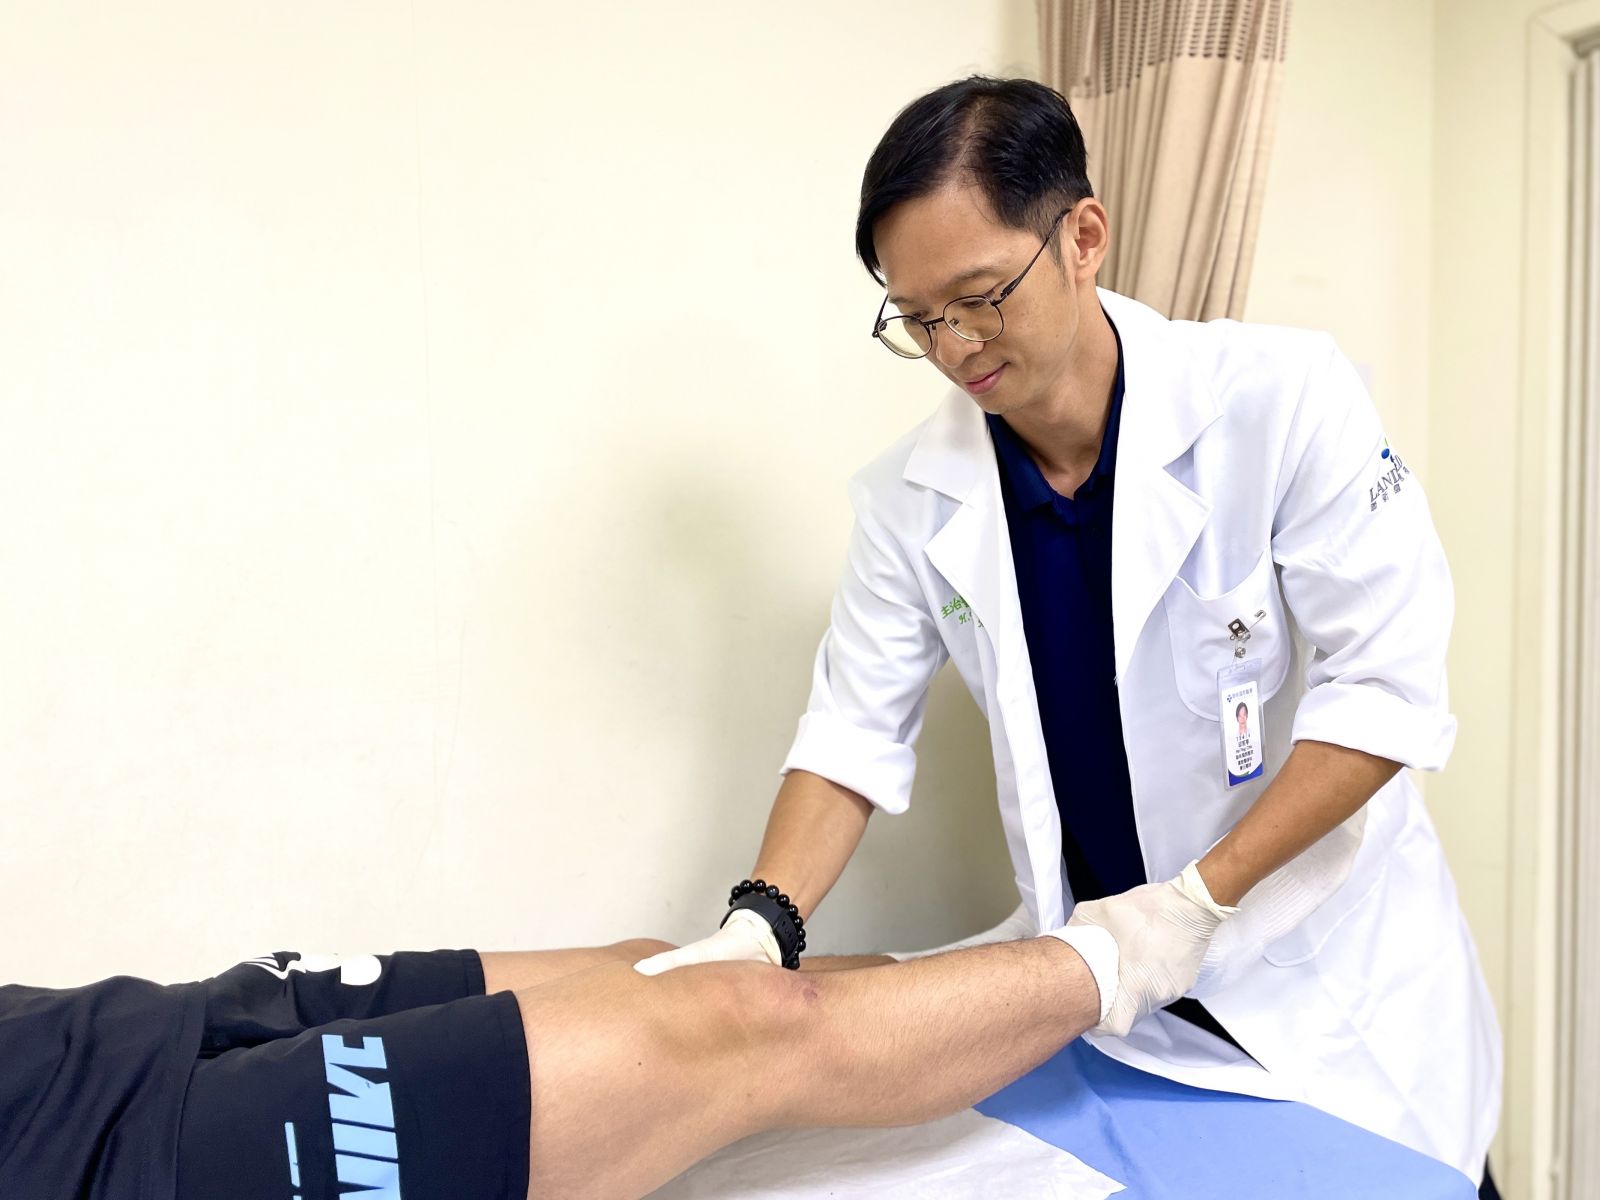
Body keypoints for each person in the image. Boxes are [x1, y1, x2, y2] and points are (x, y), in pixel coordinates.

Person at [638, 74, 1501, 1195]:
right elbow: (850, 735)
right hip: (1106, 990)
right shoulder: (913, 498)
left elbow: (1383, 696)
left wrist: (1193, 903)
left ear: (1083, 236)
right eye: (916, 318)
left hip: (1325, 979)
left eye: (979, 297)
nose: (954, 346)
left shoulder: (1282, 399)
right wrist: (763, 921)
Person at [0, 923, 1120, 1200]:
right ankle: (1141, 958)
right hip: (106, 1167)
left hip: (104, 1038)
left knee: (655, 965)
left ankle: (1067, 983)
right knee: (737, 1020)